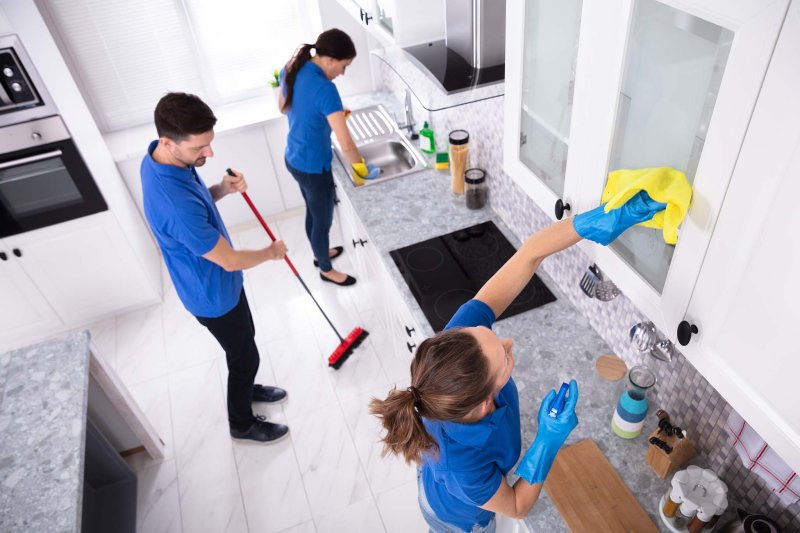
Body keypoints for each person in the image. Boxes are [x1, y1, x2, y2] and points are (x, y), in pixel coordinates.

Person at [370, 192, 667, 532]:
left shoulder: (458, 345)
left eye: (491, 335)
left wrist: (591, 223)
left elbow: (530, 254)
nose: (508, 341)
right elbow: (515, 505)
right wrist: (548, 439)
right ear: (486, 400)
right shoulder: (463, 466)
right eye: (505, 356)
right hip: (458, 518)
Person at [141, 92, 290, 443]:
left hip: (217, 284)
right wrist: (270, 252)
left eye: (209, 144)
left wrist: (221, 188)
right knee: (244, 357)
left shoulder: (160, 159)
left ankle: (248, 385)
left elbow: (198, 206)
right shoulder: (174, 203)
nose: (209, 154)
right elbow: (229, 259)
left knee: (244, 346)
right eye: (200, 148)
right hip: (212, 295)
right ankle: (241, 424)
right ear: (168, 141)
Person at [279, 28, 381, 287]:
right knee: (322, 219)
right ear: (330, 60)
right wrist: (361, 168)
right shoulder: (326, 89)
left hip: (293, 157)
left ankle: (318, 252)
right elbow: (346, 143)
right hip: (313, 166)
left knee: (313, 213)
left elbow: (283, 107)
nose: (343, 73)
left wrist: (324, 114)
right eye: (344, 66)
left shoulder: (292, 68)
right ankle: (325, 268)